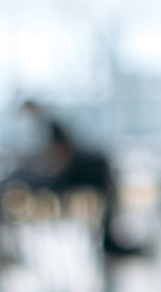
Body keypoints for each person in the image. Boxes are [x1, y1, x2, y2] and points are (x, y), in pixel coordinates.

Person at [13, 100, 143, 257]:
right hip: (71, 176)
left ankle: (110, 240)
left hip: (68, 176)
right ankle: (110, 241)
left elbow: (62, 157)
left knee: (102, 168)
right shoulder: (46, 128)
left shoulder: (52, 126)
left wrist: (43, 166)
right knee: (102, 169)